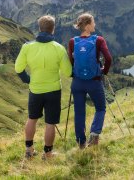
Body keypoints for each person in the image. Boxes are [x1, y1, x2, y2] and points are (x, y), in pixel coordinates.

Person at [15, 15, 72, 160]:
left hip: (35, 90)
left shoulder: (27, 47)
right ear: (53, 29)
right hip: (53, 91)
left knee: (32, 119)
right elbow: (68, 72)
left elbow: (18, 68)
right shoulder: (59, 48)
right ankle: (47, 154)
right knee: (50, 123)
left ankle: (29, 150)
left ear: (39, 28)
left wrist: (28, 80)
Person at [68, 13, 112, 148]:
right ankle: (94, 135)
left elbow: (71, 60)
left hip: (77, 82)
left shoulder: (72, 41)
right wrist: (103, 71)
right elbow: (108, 58)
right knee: (100, 108)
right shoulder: (98, 40)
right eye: (93, 22)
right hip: (94, 81)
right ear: (87, 25)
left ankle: (81, 143)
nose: (95, 25)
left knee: (79, 112)